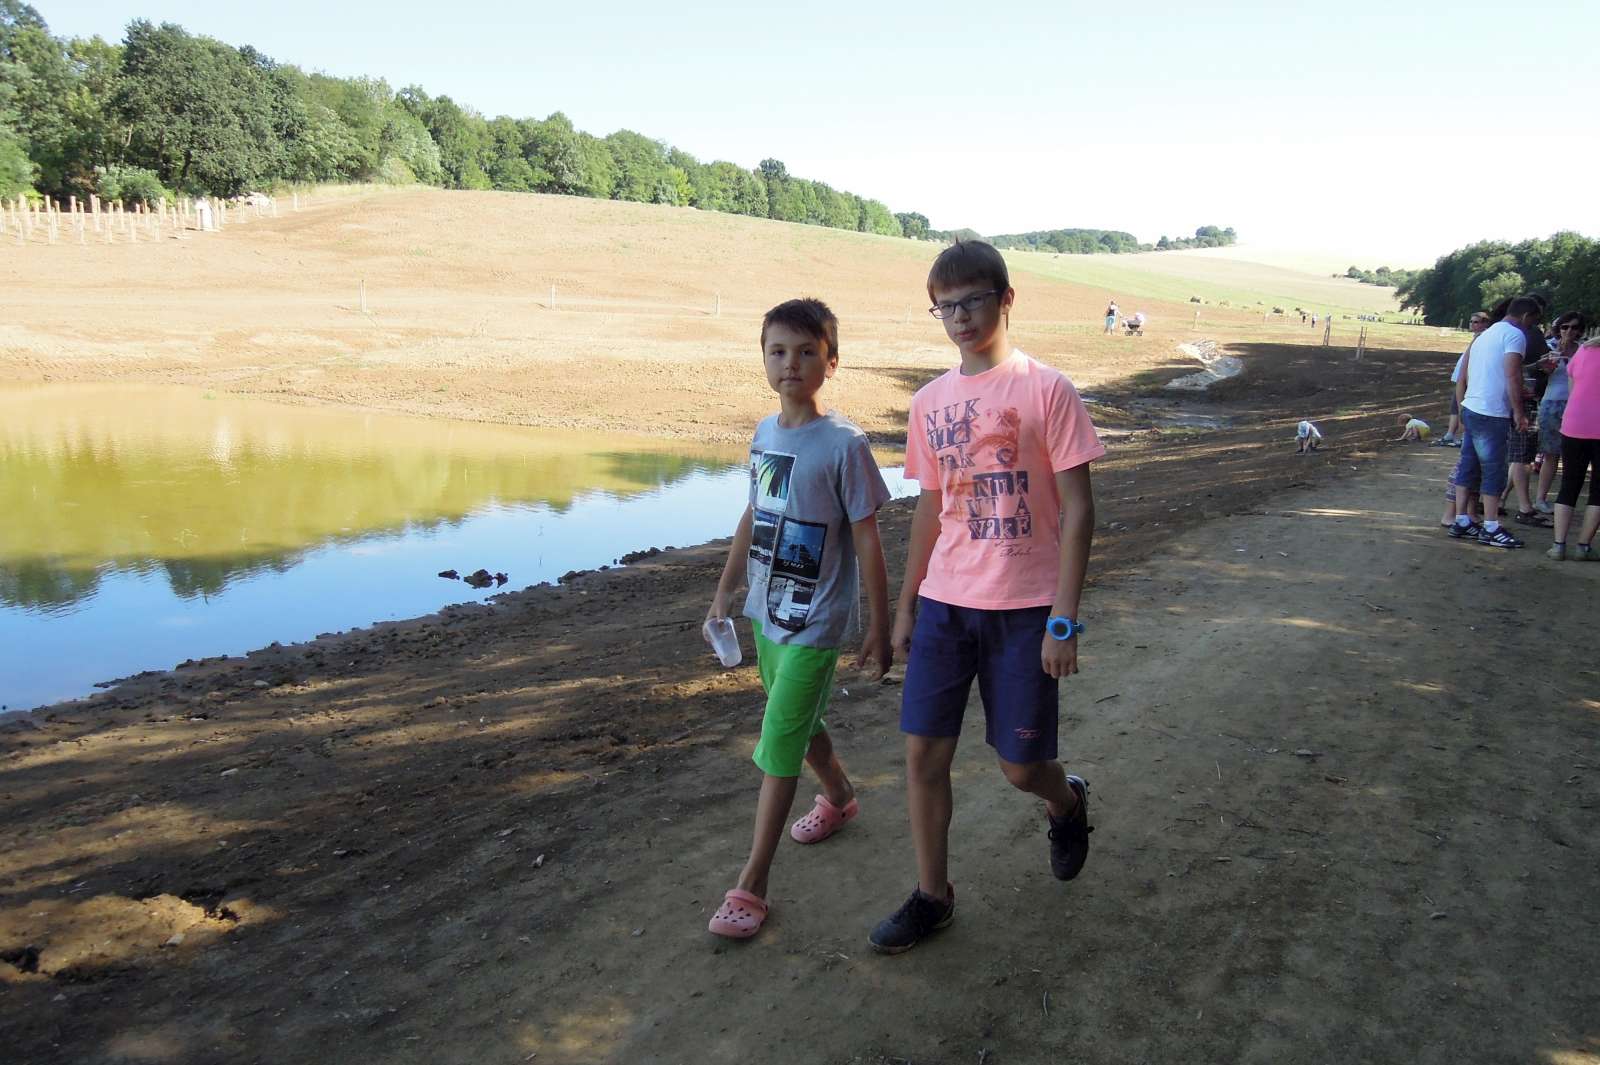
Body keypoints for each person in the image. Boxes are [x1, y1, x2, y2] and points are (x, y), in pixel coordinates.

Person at [870, 240, 1104, 954]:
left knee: (1020, 767)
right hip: (946, 604)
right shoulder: (928, 403)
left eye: (972, 300)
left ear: (1006, 299)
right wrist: (906, 606)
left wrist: (1063, 619)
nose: (960, 318)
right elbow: (930, 508)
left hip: (1027, 610)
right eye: (945, 307)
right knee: (923, 757)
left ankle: (1066, 801)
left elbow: (1078, 509)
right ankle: (932, 895)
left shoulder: (1047, 390)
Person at [704, 297, 892, 939]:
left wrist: (878, 623)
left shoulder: (845, 445)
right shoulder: (763, 434)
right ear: (763, 358)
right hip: (766, 613)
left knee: (779, 738)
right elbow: (754, 513)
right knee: (801, 723)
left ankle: (752, 884)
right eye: (778, 351)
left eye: (808, 352)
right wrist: (725, 591)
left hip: (817, 622)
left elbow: (867, 539)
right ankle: (839, 796)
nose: (792, 363)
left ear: (830, 363)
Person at [1448, 295, 1540, 548]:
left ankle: (1461, 519)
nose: (1531, 326)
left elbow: (1471, 373)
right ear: (1525, 316)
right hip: (1492, 412)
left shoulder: (1485, 335)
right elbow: (1512, 374)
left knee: (1468, 465)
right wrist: (1518, 411)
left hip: (1472, 406)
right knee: (1494, 470)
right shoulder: (1514, 335)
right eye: (1532, 320)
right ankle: (1491, 526)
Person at [1547, 333, 1600, 561]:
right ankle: (1583, 546)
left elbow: (1572, 387)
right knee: (1598, 489)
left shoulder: (1585, 350)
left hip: (1575, 424)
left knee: (1569, 484)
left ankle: (1558, 545)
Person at [1534, 312, 1586, 512]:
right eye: (1565, 327)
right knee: (1551, 454)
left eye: (1574, 327)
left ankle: (1565, 502)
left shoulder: (1584, 350)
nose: (1569, 331)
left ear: (1580, 330)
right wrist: (1550, 362)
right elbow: (1542, 374)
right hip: (1552, 403)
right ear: (1559, 328)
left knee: (1573, 456)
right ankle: (1540, 499)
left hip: (1577, 405)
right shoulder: (1550, 347)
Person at [1439, 311, 1490, 446]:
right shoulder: (1477, 337)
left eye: (1476, 322)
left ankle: (1463, 436)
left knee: (1462, 405)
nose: (1472, 324)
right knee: (1455, 405)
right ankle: (1450, 434)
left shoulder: (1484, 337)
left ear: (1485, 323)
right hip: (1461, 376)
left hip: (1468, 377)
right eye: (1471, 321)